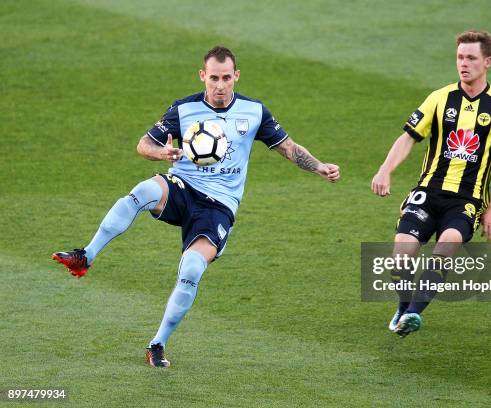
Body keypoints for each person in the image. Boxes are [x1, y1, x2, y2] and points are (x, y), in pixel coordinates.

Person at [52, 46, 340, 367]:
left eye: (226, 78)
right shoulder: (184, 109)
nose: (220, 85)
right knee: (142, 190)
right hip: (183, 188)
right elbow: (144, 145)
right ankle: (86, 256)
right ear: (203, 76)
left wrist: (318, 166)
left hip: (218, 208)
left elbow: (287, 147)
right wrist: (164, 155)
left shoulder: (254, 111)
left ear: (236, 77)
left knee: (191, 270)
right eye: (213, 78)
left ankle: (157, 344)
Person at [371, 30, 491, 337]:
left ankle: (411, 315)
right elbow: (408, 137)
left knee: (446, 246)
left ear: (487, 62)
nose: (464, 64)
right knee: (401, 254)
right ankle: (404, 305)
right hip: (428, 191)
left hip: (466, 200)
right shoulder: (440, 98)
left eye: (471, 58)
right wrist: (385, 169)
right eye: (460, 57)